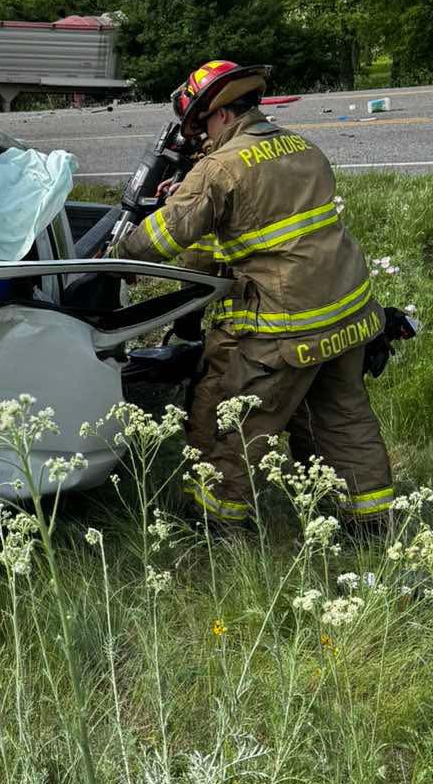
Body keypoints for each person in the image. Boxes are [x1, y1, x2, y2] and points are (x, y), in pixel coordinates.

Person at [116, 59, 395, 529]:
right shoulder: (301, 146)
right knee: (343, 420)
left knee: (230, 424)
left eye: (201, 127)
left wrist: (119, 253)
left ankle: (217, 526)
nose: (201, 139)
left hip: (284, 329)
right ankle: (369, 525)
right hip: (348, 316)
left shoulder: (219, 167)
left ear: (221, 113)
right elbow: (243, 233)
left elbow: (162, 238)